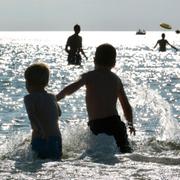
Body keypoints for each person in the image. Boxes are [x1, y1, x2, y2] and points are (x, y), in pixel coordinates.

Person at [57, 43, 136, 153]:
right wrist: (130, 124)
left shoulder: (89, 76)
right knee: (125, 151)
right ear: (114, 63)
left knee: (99, 154)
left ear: (94, 60)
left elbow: (72, 88)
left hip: (97, 125)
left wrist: (57, 98)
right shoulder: (116, 80)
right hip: (115, 124)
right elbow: (126, 106)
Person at [24, 63, 62, 160]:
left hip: (41, 137)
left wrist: (39, 129)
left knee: (38, 165)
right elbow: (59, 113)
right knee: (55, 163)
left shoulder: (29, 98)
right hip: (57, 138)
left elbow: (31, 116)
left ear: (28, 83)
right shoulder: (52, 97)